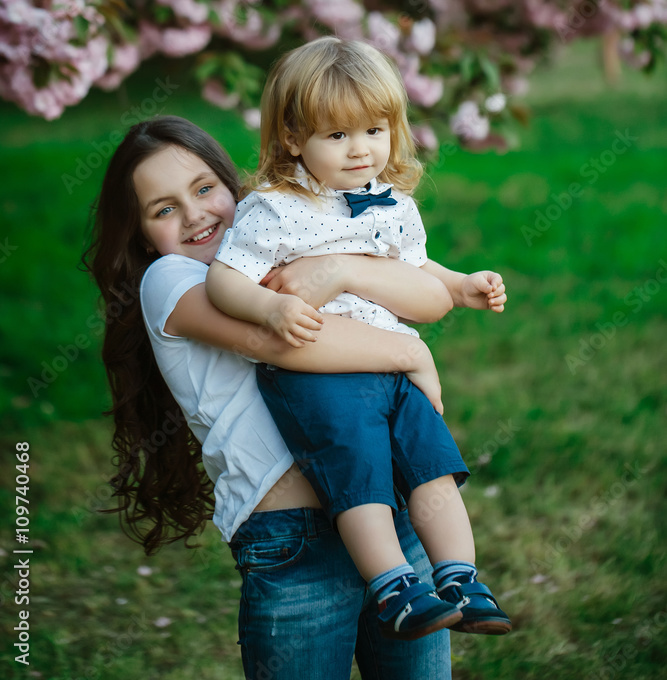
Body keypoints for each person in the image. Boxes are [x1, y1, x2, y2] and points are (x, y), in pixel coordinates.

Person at [84, 114, 507, 678]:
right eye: (164, 209)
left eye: (205, 188)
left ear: (234, 188)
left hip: (392, 515)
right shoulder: (171, 280)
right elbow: (280, 343)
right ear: (140, 233)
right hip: (294, 543)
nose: (195, 216)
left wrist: (339, 268)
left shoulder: (281, 241)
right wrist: (411, 353)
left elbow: (422, 291)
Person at [206, 37, 512, 640]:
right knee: (361, 471)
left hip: (391, 366)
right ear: (294, 139)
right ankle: (394, 586)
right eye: (338, 135)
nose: (361, 150)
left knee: (433, 468)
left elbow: (415, 267)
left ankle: (460, 577)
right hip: (320, 367)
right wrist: (269, 308)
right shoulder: (271, 208)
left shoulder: (392, 204)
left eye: (375, 130)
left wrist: (459, 284)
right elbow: (224, 279)